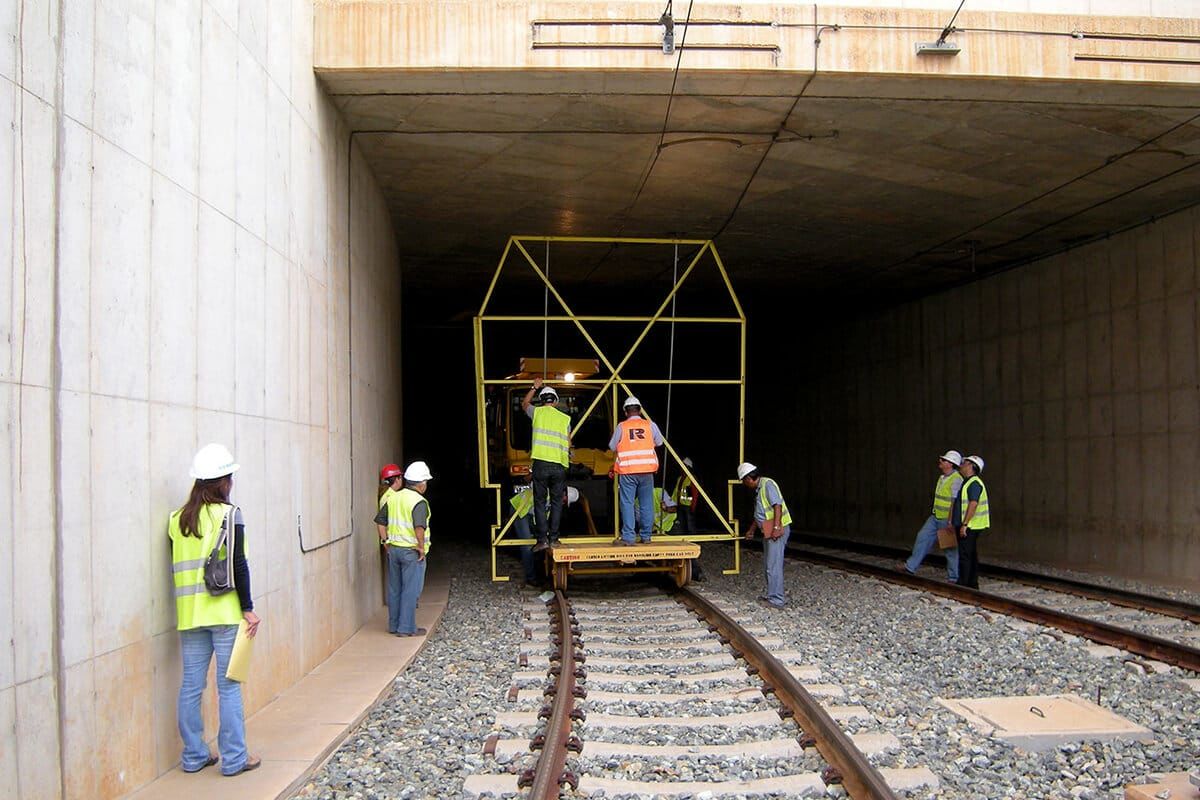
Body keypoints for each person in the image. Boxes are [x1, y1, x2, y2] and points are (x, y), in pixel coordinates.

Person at [168, 443, 261, 777]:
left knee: (191, 687)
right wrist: (248, 609)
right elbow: (239, 564)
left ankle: (194, 756)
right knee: (229, 687)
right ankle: (235, 759)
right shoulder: (230, 514)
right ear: (222, 481)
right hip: (223, 614)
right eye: (230, 477)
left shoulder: (176, 520)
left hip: (189, 616)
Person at [375, 461, 432, 636]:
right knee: (411, 590)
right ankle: (406, 628)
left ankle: (394, 625)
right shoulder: (419, 502)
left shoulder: (394, 498)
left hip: (394, 550)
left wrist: (386, 542)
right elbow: (419, 527)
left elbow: (380, 522)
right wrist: (421, 548)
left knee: (395, 589)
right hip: (411, 552)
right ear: (421, 483)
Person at [523, 377, 571, 552]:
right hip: (558, 465)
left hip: (541, 465)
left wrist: (534, 387)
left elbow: (525, 403)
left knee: (540, 502)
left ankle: (542, 540)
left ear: (542, 401)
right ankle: (554, 539)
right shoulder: (564, 419)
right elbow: (568, 442)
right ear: (556, 401)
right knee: (557, 502)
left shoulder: (536, 413)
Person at [900, 450, 963, 581]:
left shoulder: (956, 479)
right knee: (922, 537)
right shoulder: (942, 478)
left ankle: (954, 578)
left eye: (944, 460)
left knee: (949, 549)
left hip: (946, 520)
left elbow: (954, 502)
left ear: (951, 464)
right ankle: (910, 567)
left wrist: (951, 521)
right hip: (935, 517)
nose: (940, 461)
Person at [609, 395, 664, 545]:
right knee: (647, 503)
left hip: (628, 471)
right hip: (647, 471)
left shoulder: (622, 426)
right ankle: (646, 536)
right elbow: (659, 442)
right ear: (640, 411)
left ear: (626, 412)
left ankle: (629, 537)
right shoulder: (650, 425)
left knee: (627, 503)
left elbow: (612, 446)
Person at [738, 462, 791, 609]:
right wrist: (752, 530)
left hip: (776, 530)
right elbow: (760, 514)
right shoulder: (760, 489)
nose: (744, 484)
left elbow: (777, 505)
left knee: (773, 565)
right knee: (769, 565)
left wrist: (776, 527)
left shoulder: (767, 485)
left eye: (744, 481)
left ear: (749, 478)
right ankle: (772, 596)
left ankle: (777, 600)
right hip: (768, 530)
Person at [511, 484, 580, 585]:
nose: (564, 503)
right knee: (527, 545)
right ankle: (531, 578)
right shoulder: (547, 492)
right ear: (564, 494)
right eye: (565, 501)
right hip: (519, 508)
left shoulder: (553, 500)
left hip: (528, 512)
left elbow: (544, 517)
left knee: (539, 542)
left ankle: (539, 573)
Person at [954, 455, 989, 589]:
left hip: (971, 525)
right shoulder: (969, 482)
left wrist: (965, 524)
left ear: (970, 466)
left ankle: (964, 583)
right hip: (972, 524)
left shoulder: (973, 483)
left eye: (964, 463)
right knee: (971, 554)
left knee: (965, 555)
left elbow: (973, 504)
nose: (961, 465)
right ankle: (972, 583)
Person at [672, 457, 699, 535]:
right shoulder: (680, 478)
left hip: (688, 506)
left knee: (690, 525)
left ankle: (692, 540)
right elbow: (676, 492)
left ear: (688, 467)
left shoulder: (692, 479)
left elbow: (695, 493)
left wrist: (693, 506)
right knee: (681, 524)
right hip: (680, 505)